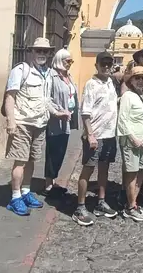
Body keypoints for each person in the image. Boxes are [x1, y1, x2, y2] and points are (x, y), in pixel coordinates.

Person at [4, 37, 53, 216]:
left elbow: (46, 99)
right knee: (20, 161)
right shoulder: (20, 70)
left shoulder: (48, 73)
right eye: (38, 50)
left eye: (45, 51)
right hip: (23, 123)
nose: (42, 54)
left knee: (32, 160)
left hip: (39, 124)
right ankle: (15, 197)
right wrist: (11, 121)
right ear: (31, 51)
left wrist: (57, 112)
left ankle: (25, 192)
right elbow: (10, 96)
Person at [72, 52, 119, 226]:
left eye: (109, 64)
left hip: (109, 135)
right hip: (95, 136)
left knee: (104, 169)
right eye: (103, 64)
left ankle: (101, 202)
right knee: (88, 169)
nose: (106, 67)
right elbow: (85, 113)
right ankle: (80, 207)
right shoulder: (91, 84)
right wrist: (90, 134)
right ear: (96, 65)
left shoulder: (111, 82)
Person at [117, 66, 143, 222]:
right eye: (137, 78)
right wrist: (133, 138)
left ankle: (133, 203)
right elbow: (122, 120)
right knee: (131, 174)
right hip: (131, 141)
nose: (140, 81)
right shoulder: (127, 96)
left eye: (142, 78)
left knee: (141, 173)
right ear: (131, 80)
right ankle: (131, 207)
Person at [44, 48, 78, 197]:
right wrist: (57, 112)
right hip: (56, 120)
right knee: (53, 151)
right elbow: (47, 98)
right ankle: (48, 183)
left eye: (71, 61)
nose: (70, 63)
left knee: (61, 150)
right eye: (67, 61)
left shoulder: (68, 76)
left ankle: (54, 180)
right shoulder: (51, 76)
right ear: (59, 60)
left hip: (67, 120)